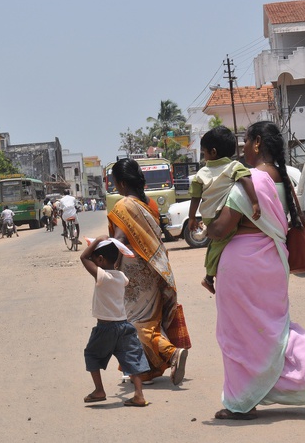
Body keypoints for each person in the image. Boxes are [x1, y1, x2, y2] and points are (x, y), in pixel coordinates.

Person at [207, 121, 305, 421]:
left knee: (237, 334)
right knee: (277, 327)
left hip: (242, 266)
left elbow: (221, 229)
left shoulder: (252, 180)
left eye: (245, 140)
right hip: (273, 262)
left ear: (257, 143)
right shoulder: (285, 179)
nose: (242, 147)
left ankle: (241, 402)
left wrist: (205, 221)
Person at [107, 158, 191, 385]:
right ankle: (145, 371)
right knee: (150, 320)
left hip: (134, 276)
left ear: (122, 183)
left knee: (134, 324)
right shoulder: (150, 205)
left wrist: (102, 256)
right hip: (156, 269)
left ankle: (172, 353)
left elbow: (120, 241)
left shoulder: (123, 207)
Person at [188, 126, 261, 294]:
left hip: (208, 216)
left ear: (212, 152)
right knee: (218, 243)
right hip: (223, 215)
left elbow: (195, 197)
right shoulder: (234, 167)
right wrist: (255, 202)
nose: (204, 156)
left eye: (204, 152)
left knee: (215, 243)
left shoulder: (201, 174)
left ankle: (208, 276)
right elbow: (246, 180)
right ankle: (208, 277)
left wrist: (192, 218)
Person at [79, 235, 150, 407]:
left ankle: (99, 390)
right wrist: (116, 248)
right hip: (124, 325)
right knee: (132, 358)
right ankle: (139, 395)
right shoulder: (120, 277)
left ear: (101, 259)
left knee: (92, 355)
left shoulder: (103, 277)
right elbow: (115, 265)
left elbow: (83, 257)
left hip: (106, 326)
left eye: (96, 259)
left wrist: (97, 241)